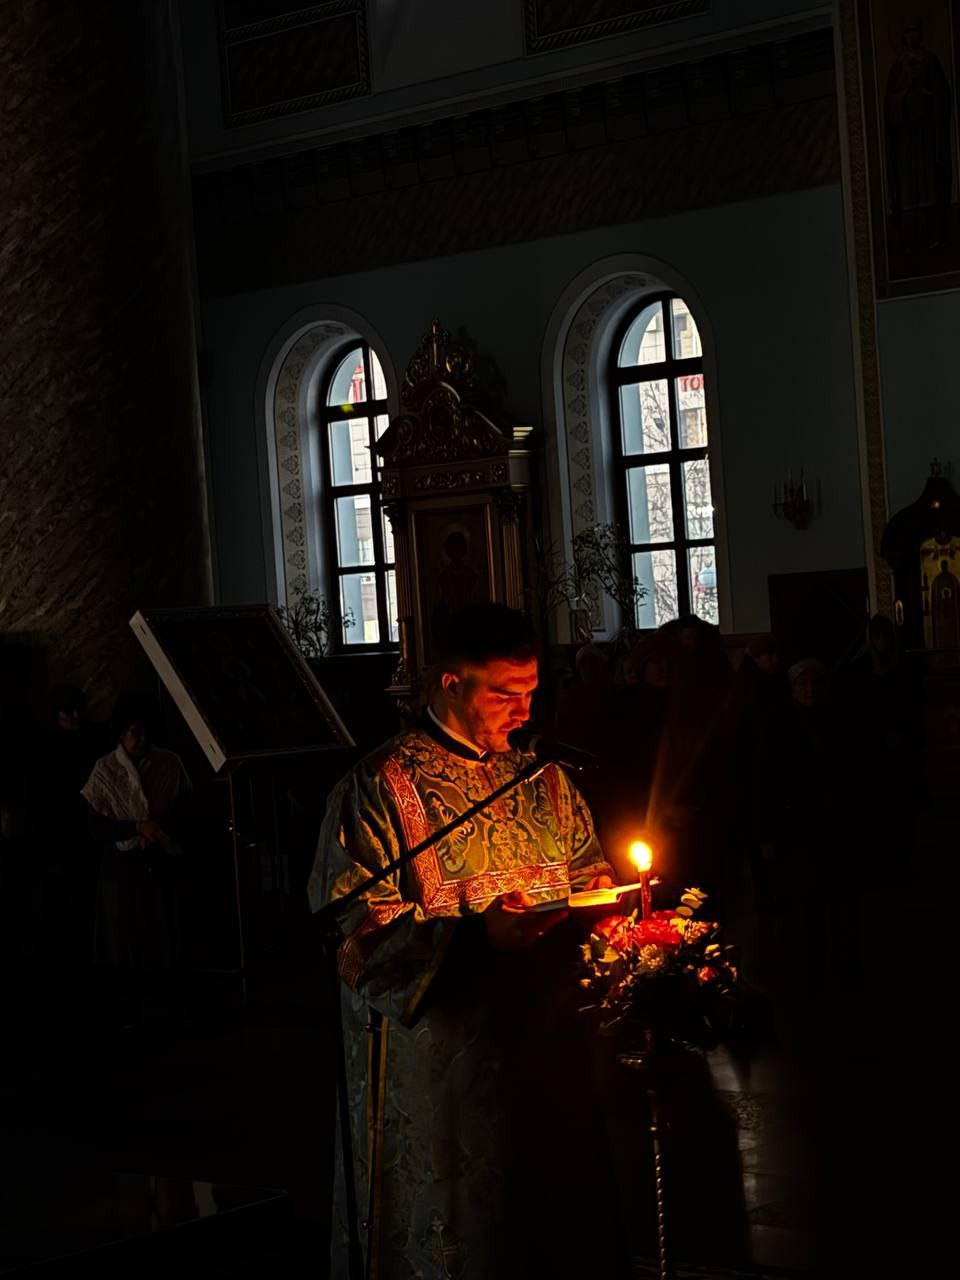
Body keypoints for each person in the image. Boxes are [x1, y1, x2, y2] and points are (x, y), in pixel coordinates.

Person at [309, 603, 626, 1280]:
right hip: (442, 1081)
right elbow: (356, 935)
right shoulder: (377, 788)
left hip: (546, 1061)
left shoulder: (545, 780)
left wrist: (609, 907)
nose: (523, 711)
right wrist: (479, 938)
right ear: (450, 684)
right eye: (505, 694)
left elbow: (587, 871)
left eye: (531, 693)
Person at [81, 693, 192, 983]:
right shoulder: (106, 769)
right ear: (122, 733)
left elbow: (186, 810)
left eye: (146, 732)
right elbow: (96, 826)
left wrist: (158, 829)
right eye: (135, 732)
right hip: (121, 867)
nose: (142, 739)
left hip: (159, 859)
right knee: (125, 941)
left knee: (161, 934)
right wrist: (136, 827)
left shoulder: (169, 763)